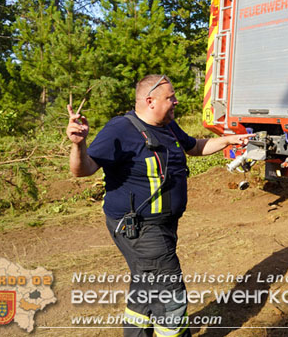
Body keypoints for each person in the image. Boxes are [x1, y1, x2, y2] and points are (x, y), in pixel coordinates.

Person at [66, 74, 252, 337]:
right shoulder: (120, 129)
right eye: (171, 97)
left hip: (163, 225)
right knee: (169, 295)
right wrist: (78, 144)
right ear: (150, 100)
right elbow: (83, 169)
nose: (176, 101)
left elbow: (195, 147)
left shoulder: (167, 125)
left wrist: (228, 141)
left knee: (146, 282)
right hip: (140, 228)